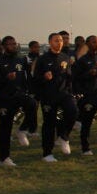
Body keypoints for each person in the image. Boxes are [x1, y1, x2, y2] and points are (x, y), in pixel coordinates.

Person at [0, 36, 39, 166]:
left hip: (19, 94)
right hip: (4, 98)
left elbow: (26, 77)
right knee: (5, 128)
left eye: (14, 43)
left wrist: (28, 90)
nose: (13, 46)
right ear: (4, 46)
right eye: (10, 44)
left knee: (33, 104)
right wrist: (6, 78)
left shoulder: (20, 60)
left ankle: (22, 129)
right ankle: (4, 158)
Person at [32, 32, 79, 162]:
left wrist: (71, 90)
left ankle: (63, 136)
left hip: (64, 94)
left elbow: (69, 77)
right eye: (56, 40)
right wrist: (44, 78)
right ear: (50, 42)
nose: (59, 42)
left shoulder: (65, 57)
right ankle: (47, 153)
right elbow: (35, 79)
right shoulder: (42, 59)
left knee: (73, 112)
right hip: (48, 96)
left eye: (61, 40)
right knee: (49, 124)